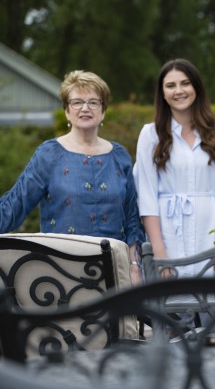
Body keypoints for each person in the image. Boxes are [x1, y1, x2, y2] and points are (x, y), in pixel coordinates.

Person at [0, 70, 145, 284]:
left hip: (116, 269)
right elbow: (15, 205)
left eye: (93, 102)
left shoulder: (120, 156)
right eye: (77, 102)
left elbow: (132, 218)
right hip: (61, 272)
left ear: (103, 111)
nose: (85, 108)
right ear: (67, 111)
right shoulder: (49, 155)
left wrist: (135, 266)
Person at [134, 59, 215, 282]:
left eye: (185, 83)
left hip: (212, 229)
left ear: (196, 87)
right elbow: (147, 196)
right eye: (170, 85)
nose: (179, 91)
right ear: (162, 92)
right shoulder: (151, 135)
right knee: (173, 308)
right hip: (168, 235)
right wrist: (159, 252)